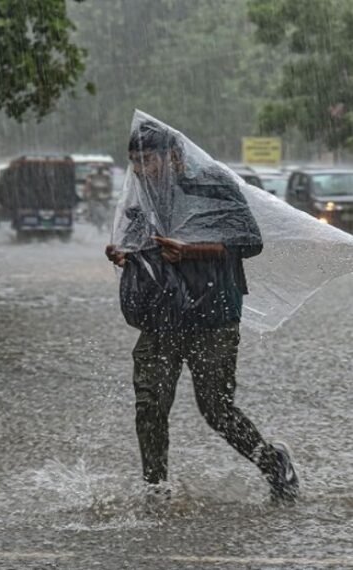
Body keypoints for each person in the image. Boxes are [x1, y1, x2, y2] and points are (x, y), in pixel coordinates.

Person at [105, 120, 299, 502]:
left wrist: (190, 250)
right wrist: (124, 255)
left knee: (215, 408)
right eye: (135, 162)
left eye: (149, 160)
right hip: (162, 314)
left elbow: (249, 241)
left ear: (174, 156)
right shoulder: (143, 195)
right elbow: (139, 243)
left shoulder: (212, 183)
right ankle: (156, 488)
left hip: (213, 313)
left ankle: (273, 462)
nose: (142, 170)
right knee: (150, 404)